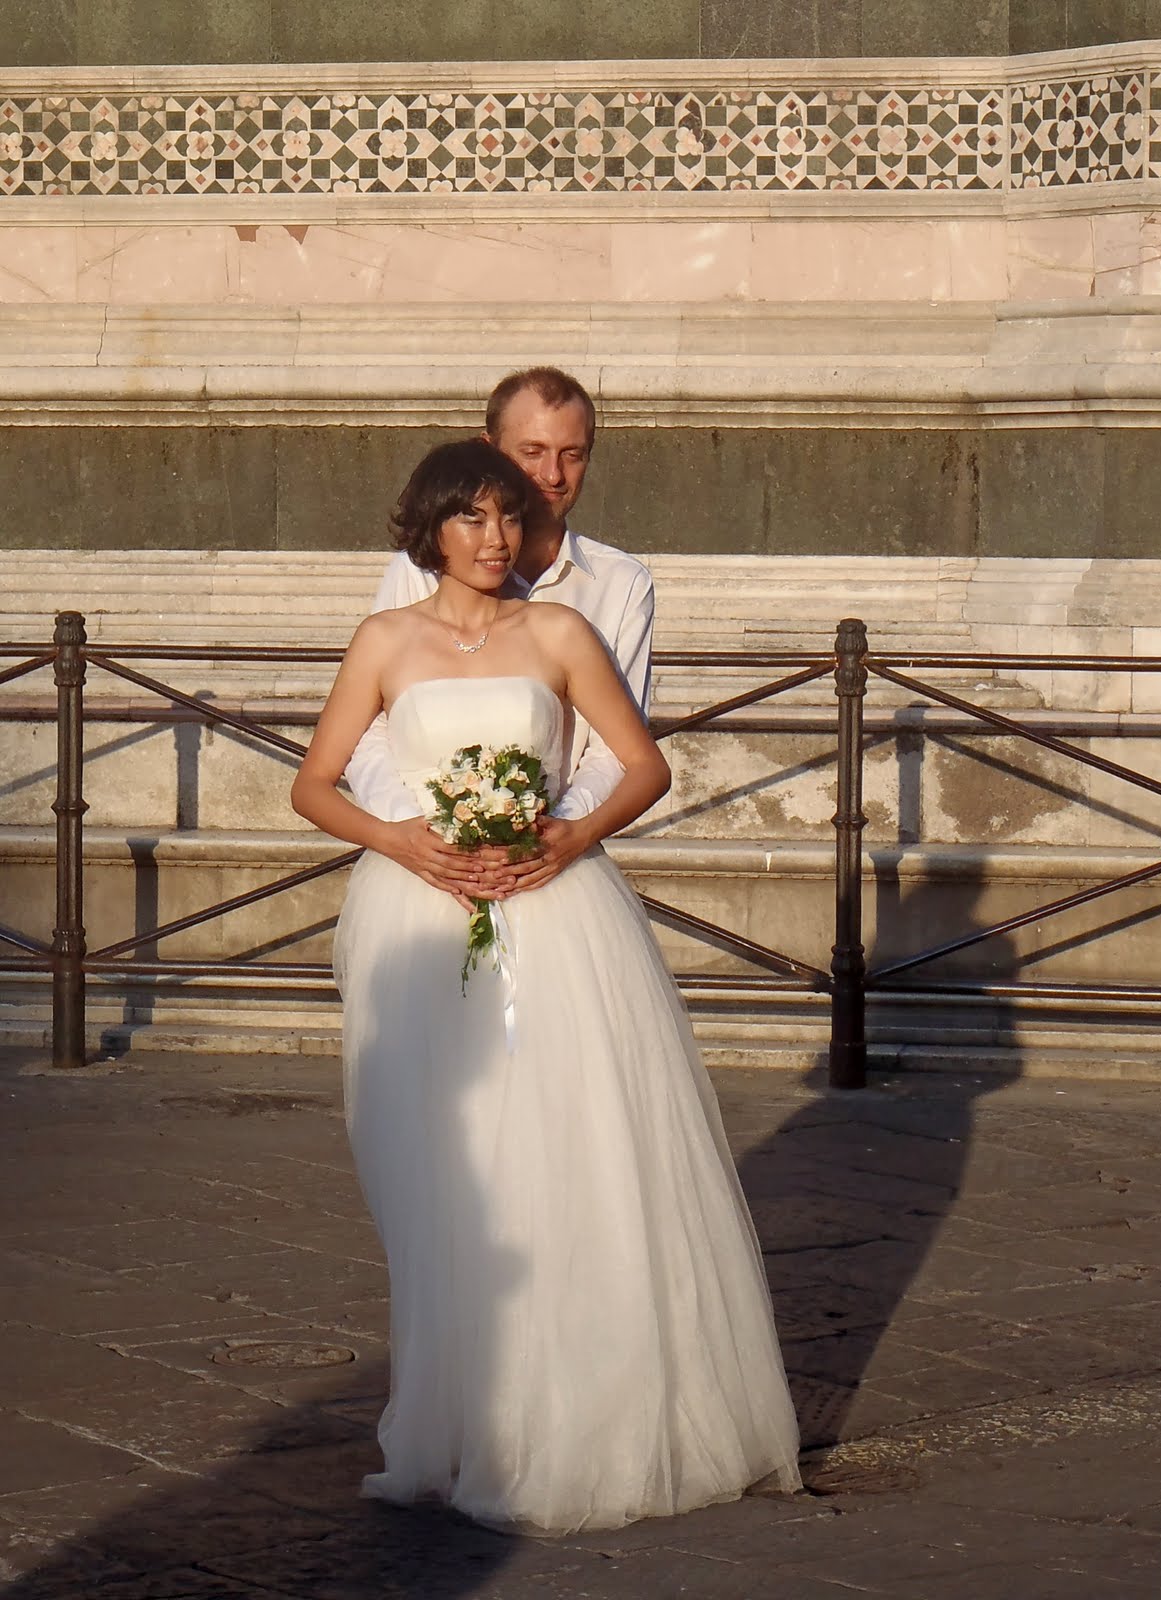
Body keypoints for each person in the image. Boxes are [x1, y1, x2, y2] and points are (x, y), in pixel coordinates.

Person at [291, 439, 802, 1534]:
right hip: (420, 918)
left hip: (556, 912)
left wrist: (569, 835)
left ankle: (588, 1413)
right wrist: (402, 839)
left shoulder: (559, 631)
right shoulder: (384, 640)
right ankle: (466, 1417)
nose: (496, 538)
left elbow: (644, 763)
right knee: (448, 1170)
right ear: (430, 527)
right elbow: (314, 784)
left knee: (572, 1145)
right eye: (473, 517)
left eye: (509, 518)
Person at [345, 365, 654, 908]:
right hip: (428, 868)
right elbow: (368, 730)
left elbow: (618, 749)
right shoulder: (419, 570)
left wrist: (552, 838)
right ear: (489, 449)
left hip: (551, 868)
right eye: (532, 452)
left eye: (573, 454)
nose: (552, 475)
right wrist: (422, 837)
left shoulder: (621, 584)